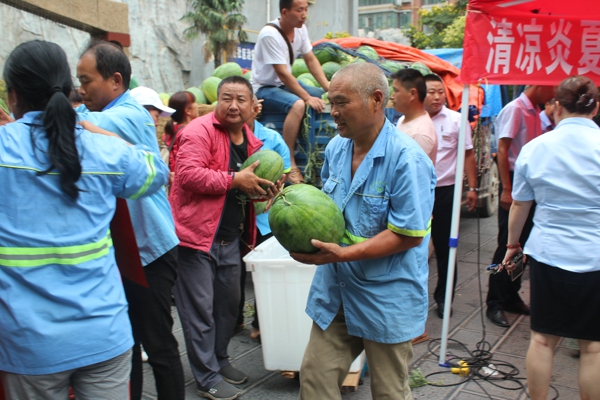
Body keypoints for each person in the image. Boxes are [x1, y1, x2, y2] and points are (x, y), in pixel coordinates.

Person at [0, 40, 169, 399]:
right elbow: (156, 171)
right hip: (104, 333)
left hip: (29, 343)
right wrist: (94, 133)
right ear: (67, 88)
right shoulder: (100, 150)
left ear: (13, 95)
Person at [291, 63, 436, 400]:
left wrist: (342, 253)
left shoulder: (406, 159)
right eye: (331, 102)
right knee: (314, 382)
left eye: (342, 102)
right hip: (338, 290)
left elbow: (409, 234)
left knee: (389, 392)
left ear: (376, 99)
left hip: (385, 296)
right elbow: (326, 211)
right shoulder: (335, 149)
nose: (333, 112)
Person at [76, 41, 185, 400]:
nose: (81, 89)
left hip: (150, 251)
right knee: (126, 347)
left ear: (116, 80)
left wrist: (32, 115)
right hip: (124, 251)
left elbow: (76, 122)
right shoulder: (109, 112)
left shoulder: (131, 114)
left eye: (86, 80)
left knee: (159, 346)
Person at [170, 76, 278, 400]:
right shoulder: (197, 131)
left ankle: (220, 360)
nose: (233, 105)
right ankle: (207, 378)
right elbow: (187, 175)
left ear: (251, 105)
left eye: (240, 99)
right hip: (195, 239)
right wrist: (234, 179)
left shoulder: (251, 141)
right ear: (217, 101)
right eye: (226, 98)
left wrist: (265, 191)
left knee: (228, 309)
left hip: (231, 239)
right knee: (200, 312)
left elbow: (244, 192)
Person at [501, 76, 600, 400]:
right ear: (596, 107)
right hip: (595, 256)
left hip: (548, 253)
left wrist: (513, 245)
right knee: (594, 348)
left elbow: (520, 204)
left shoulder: (536, 148)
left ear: (556, 106)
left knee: (542, 340)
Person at [486, 85, 555, 328]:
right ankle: (494, 301)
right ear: (538, 85)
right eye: (552, 87)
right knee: (507, 242)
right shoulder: (515, 109)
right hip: (514, 180)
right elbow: (502, 150)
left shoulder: (537, 112)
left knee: (522, 244)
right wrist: (506, 188)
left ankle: (511, 294)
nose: (554, 93)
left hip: (531, 181)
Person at [251, 0, 329, 184]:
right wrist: (306, 97)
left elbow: (310, 60)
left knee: (317, 95)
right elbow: (283, 74)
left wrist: (328, 88)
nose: (304, 15)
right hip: (263, 88)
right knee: (298, 104)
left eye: (306, 10)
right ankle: (291, 162)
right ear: (285, 12)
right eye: (299, 10)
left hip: (280, 85)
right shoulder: (269, 34)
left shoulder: (300, 29)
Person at [423, 73, 478, 319]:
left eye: (440, 91)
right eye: (431, 92)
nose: (437, 97)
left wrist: (473, 188)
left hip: (446, 191)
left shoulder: (456, 120)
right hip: (418, 192)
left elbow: (468, 155)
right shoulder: (409, 122)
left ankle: (444, 300)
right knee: (413, 247)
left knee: (446, 248)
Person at [236, 96, 292, 339]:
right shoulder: (226, 138)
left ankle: (261, 323)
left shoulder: (272, 140)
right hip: (235, 217)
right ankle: (234, 319)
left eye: (242, 102)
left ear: (255, 108)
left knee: (263, 273)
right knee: (234, 273)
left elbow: (285, 175)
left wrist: (277, 186)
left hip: (263, 219)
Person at [390, 68, 438, 164]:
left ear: (412, 94)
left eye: (396, 91)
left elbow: (413, 174)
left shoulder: (420, 134)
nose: (392, 96)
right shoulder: (403, 119)